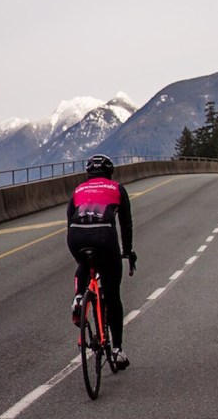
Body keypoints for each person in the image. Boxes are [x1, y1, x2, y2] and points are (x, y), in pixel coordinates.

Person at [67, 153, 136, 370]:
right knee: (113, 295)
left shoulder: (78, 190)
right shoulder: (116, 188)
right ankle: (116, 350)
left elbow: (69, 220)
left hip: (76, 235)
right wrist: (127, 251)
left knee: (84, 264)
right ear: (109, 172)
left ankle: (79, 297)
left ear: (88, 173)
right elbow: (126, 224)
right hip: (105, 236)